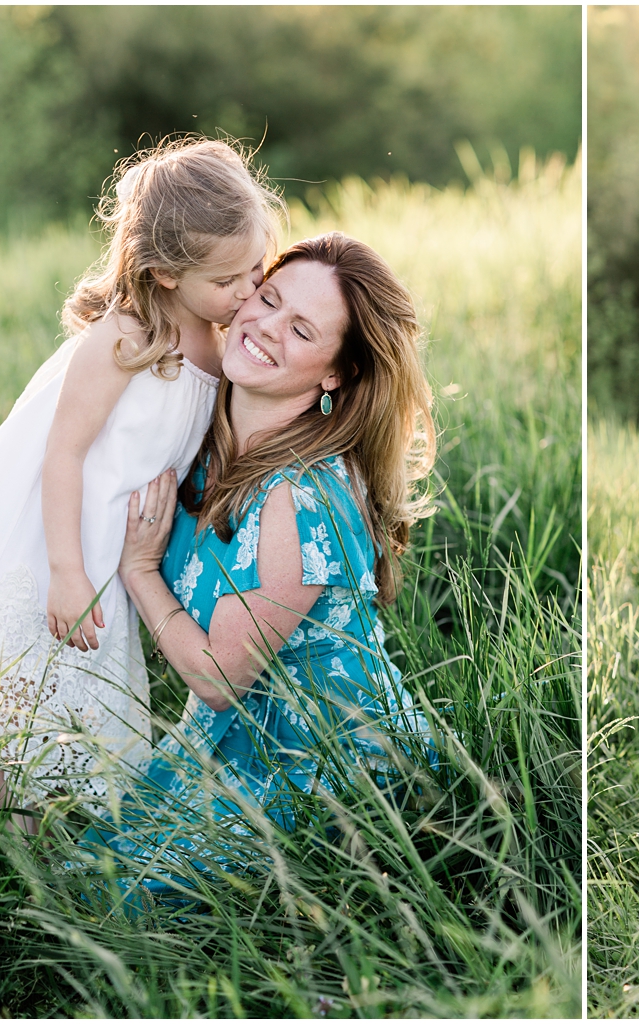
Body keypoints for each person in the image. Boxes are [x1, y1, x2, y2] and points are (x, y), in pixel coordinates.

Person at [87, 232, 438, 909]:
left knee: (121, 904)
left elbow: (219, 678)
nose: (266, 327)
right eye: (269, 299)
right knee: (85, 877)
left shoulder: (298, 497)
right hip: (231, 743)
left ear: (335, 373)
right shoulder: (205, 439)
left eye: (301, 329)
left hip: (327, 770)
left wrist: (141, 572)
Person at [0, 137, 282, 822]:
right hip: (54, 534)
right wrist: (68, 571)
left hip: (110, 540)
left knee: (87, 679)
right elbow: (62, 453)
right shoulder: (127, 339)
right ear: (163, 275)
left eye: (258, 270)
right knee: (30, 679)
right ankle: (2, 824)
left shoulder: (220, 342)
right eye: (229, 282)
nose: (248, 292)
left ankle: (71, 817)